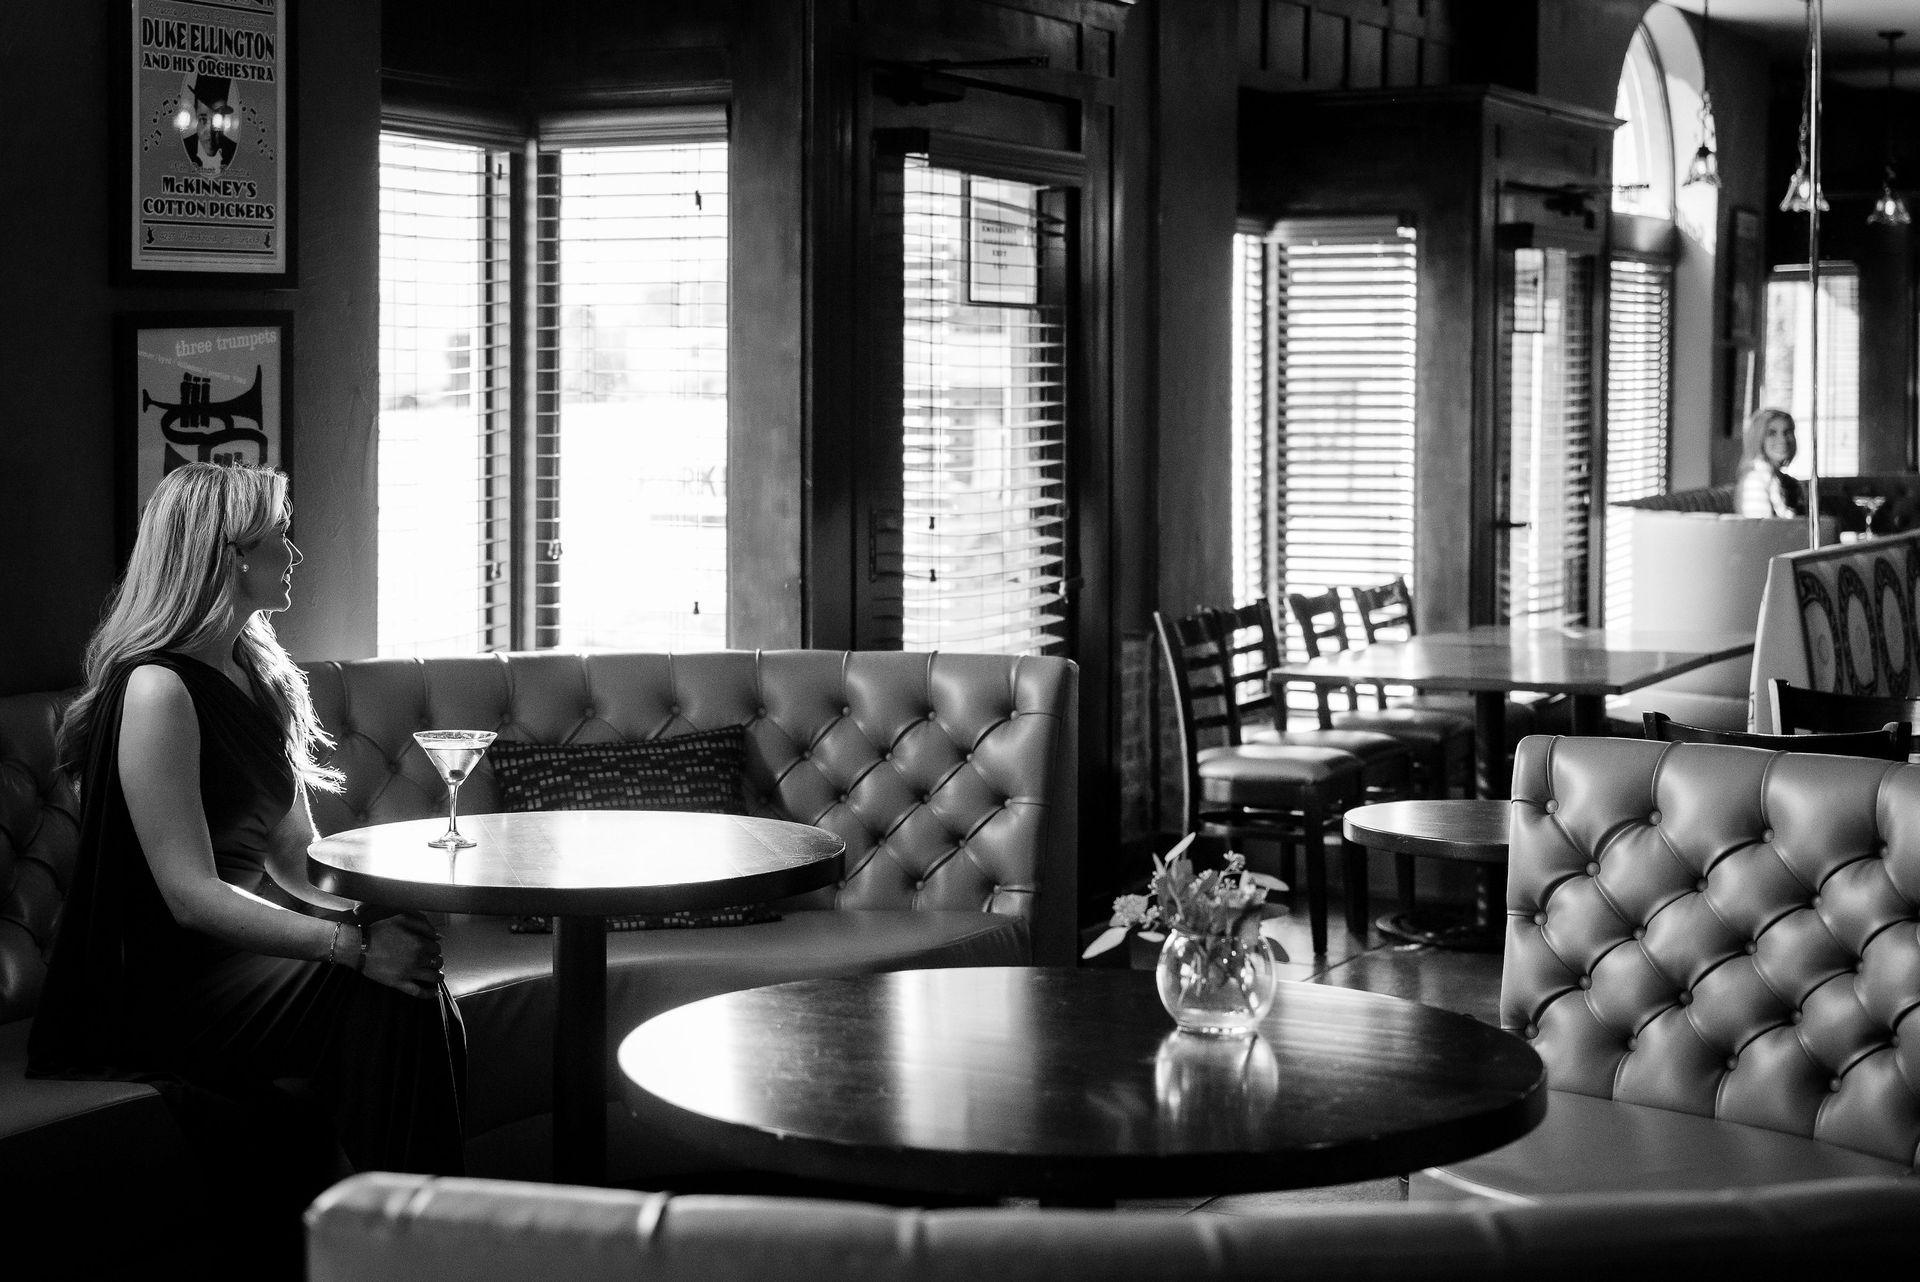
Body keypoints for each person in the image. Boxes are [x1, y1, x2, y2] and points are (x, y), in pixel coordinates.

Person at [27, 463, 464, 1273]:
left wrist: (376, 918)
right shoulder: (157, 688)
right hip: (159, 985)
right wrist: (353, 951)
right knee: (381, 981)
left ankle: (414, 1232)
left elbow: (296, 860)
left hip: (238, 962)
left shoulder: (257, 674)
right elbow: (187, 896)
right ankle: (418, 1240)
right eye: (278, 539)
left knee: (407, 970)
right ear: (228, 558)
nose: (295, 553)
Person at [1735, 407, 1806, 518]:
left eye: (1787, 432)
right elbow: (1762, 531)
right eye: (1772, 433)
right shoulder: (1755, 481)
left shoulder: (1786, 482)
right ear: (1758, 439)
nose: (1783, 440)